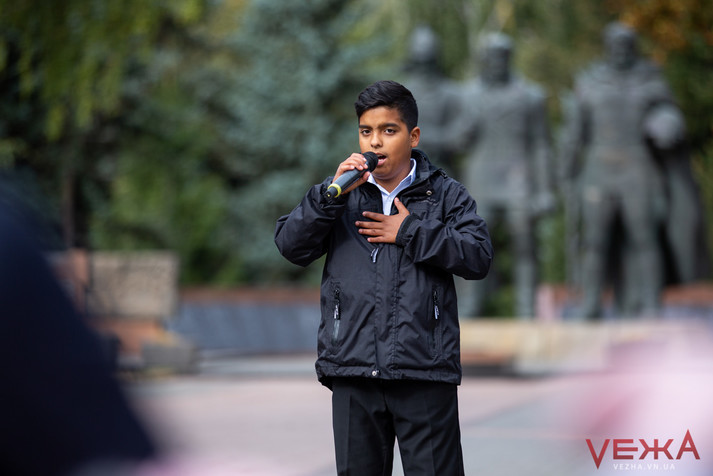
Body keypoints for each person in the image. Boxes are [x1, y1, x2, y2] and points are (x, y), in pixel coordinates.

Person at [274, 80, 492, 475]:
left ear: (413, 136)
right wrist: (328, 198)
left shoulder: (446, 195)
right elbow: (291, 246)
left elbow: (478, 257)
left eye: (388, 130)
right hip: (353, 369)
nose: (375, 142)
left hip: (424, 371)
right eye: (366, 131)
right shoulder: (340, 195)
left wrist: (410, 231)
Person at [559, 22, 689, 318]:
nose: (620, 51)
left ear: (633, 48)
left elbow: (671, 114)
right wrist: (565, 174)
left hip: (637, 166)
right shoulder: (589, 83)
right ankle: (591, 304)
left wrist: (667, 123)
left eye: (626, 45)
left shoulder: (651, 82)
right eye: (615, 45)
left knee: (644, 237)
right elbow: (574, 133)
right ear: (606, 47)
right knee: (594, 241)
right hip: (599, 167)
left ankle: (651, 303)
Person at [454, 33, 554, 318]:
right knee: (471, 244)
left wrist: (545, 189)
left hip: (517, 179)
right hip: (480, 181)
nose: (496, 63)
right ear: (484, 60)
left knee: (525, 244)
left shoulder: (530, 96)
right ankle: (469, 310)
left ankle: (526, 310)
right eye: (491, 57)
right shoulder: (468, 95)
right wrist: (464, 130)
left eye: (502, 57)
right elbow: (456, 142)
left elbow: (541, 145)